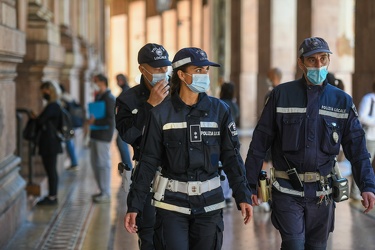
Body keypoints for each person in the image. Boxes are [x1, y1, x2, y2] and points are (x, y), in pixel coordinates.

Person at [244, 37, 375, 250]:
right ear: (301, 63)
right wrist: (248, 185)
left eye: (323, 59)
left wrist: (367, 185)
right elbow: (259, 143)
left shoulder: (341, 101)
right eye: (312, 60)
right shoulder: (281, 95)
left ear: (329, 60)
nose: (318, 65)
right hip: (287, 192)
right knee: (294, 245)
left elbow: (357, 148)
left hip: (322, 197)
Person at [124, 47, 253, 249]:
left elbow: (232, 157)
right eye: (198, 70)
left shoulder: (220, 111)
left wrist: (242, 194)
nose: (204, 75)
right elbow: (148, 162)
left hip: (209, 206)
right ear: (182, 75)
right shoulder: (160, 114)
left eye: (206, 71)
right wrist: (135, 205)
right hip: (171, 206)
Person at [116, 43, 171, 250]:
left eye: (165, 68)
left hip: (176, 173)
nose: (163, 73)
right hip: (147, 177)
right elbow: (128, 135)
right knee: (148, 235)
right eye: (157, 69)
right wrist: (149, 106)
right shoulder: (127, 99)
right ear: (142, 69)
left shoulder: (177, 93)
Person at [34, 81, 63, 205]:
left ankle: (52, 197)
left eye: (44, 91)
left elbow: (41, 121)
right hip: (50, 143)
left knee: (51, 170)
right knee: (51, 170)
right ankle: (52, 195)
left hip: (50, 143)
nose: (42, 94)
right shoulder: (54, 105)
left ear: (49, 91)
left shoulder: (53, 106)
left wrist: (36, 117)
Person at [88, 73, 116, 203]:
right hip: (95, 134)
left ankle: (105, 191)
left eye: (96, 81)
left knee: (103, 164)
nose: (94, 84)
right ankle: (101, 189)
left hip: (103, 135)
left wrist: (95, 122)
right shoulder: (99, 96)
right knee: (95, 163)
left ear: (102, 82)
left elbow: (111, 119)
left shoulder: (109, 98)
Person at [219, 81, 240, 207]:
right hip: (232, 139)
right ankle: (227, 195)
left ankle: (223, 194)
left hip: (221, 139)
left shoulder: (220, 104)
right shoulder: (234, 105)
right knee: (230, 167)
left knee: (221, 167)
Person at [115, 74, 133, 180]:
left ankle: (128, 168)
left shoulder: (126, 91)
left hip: (126, 124)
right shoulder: (126, 90)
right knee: (121, 144)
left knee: (122, 144)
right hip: (124, 124)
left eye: (117, 80)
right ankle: (127, 168)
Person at [59, 84, 79, 171]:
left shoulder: (62, 99)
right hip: (72, 123)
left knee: (69, 142)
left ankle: (74, 163)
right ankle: (74, 162)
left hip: (67, 125)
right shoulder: (68, 96)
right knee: (70, 142)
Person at [359, 81, 375, 170]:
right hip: (369, 137)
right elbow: (362, 117)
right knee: (365, 164)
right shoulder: (369, 98)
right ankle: (358, 184)